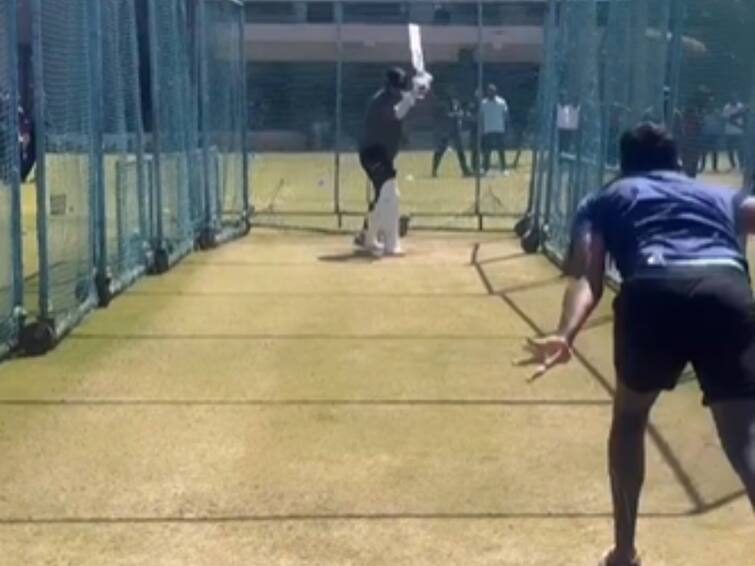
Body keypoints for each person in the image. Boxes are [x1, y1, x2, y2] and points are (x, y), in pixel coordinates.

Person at [519, 123, 755, 566]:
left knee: (629, 418)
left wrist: (565, 333)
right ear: (678, 162)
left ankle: (625, 551)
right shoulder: (717, 194)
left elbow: (588, 277)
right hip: (726, 289)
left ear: (624, 165)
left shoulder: (606, 198)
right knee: (745, 436)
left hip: (652, 293)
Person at [353, 67, 432, 256]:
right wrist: (414, 93)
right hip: (373, 153)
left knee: (383, 196)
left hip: (381, 155)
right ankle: (391, 244)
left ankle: (368, 237)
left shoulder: (396, 96)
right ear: (389, 86)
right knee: (391, 196)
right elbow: (398, 113)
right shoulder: (381, 101)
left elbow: (411, 100)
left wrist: (423, 86)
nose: (398, 91)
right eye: (396, 88)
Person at [431, 93, 471, 177]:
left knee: (460, 151)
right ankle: (434, 170)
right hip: (446, 130)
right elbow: (446, 115)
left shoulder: (457, 103)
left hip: (455, 130)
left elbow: (460, 113)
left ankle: (465, 170)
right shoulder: (444, 105)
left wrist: (461, 114)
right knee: (440, 150)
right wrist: (456, 115)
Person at [479, 84, 509, 175]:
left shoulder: (502, 102)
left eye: (492, 91)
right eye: (489, 91)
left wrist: (506, 127)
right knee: (487, 151)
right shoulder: (483, 103)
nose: (491, 93)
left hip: (499, 128)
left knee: (501, 150)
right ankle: (486, 169)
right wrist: (481, 129)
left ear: (496, 92)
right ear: (487, 92)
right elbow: (481, 117)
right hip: (488, 129)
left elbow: (506, 115)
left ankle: (503, 169)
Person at [722, 95, 747, 170]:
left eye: (735, 98)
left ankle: (741, 164)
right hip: (729, 132)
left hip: (739, 132)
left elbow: (744, 116)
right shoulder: (726, 107)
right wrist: (740, 125)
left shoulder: (741, 106)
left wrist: (743, 126)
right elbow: (727, 119)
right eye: (732, 99)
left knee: (741, 149)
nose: (734, 100)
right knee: (730, 149)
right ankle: (733, 165)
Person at [698, 102, 723, 173]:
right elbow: (701, 123)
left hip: (714, 135)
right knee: (704, 152)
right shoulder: (704, 114)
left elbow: (721, 121)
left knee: (715, 152)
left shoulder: (717, 113)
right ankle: (702, 167)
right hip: (706, 135)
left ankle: (715, 167)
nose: (710, 107)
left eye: (711, 106)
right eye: (709, 106)